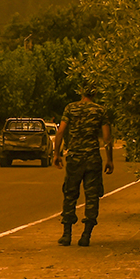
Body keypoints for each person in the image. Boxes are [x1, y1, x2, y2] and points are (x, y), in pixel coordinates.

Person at [53, 88, 113, 247]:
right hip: (92, 158)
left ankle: (66, 235)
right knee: (92, 196)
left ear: (80, 92)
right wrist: (109, 159)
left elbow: (60, 133)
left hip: (74, 158)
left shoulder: (70, 108)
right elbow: (107, 137)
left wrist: (56, 154)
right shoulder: (100, 110)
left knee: (70, 194)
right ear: (95, 93)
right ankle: (86, 235)